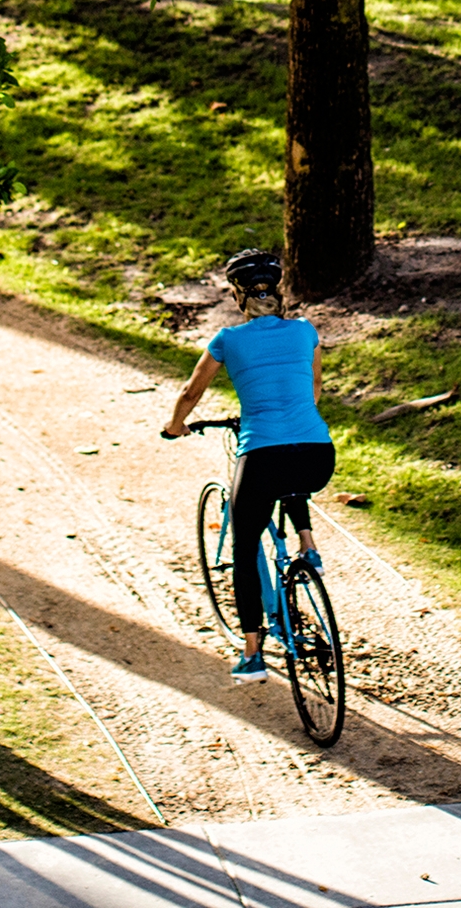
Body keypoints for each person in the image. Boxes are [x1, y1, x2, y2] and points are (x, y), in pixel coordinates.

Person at [163, 247, 333, 683]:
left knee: (244, 547)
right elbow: (313, 388)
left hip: (262, 455)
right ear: (277, 293)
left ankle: (253, 653)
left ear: (238, 298)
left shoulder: (227, 341)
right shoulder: (305, 331)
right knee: (292, 474)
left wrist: (175, 425)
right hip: (317, 454)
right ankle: (308, 547)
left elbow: (190, 392)